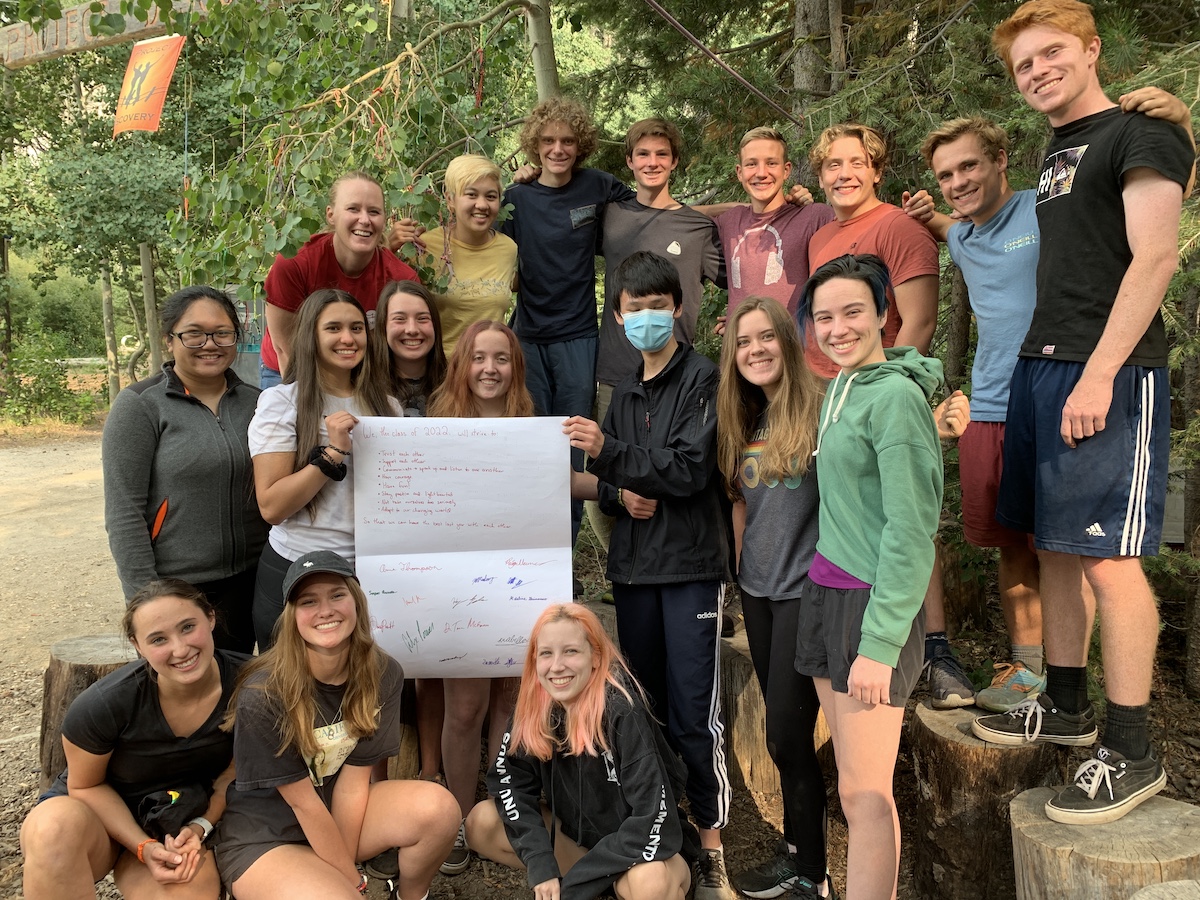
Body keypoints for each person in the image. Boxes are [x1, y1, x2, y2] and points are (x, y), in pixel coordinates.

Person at [970, 0, 1194, 826]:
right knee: (1054, 548)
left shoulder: (1144, 130)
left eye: (1052, 52)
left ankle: (1133, 750)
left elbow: (1156, 254)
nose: (1037, 71)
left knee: (1109, 560)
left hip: (1109, 371)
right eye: (1024, 64)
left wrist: (1099, 375)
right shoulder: (1062, 144)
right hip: (1042, 366)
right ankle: (1065, 706)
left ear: (1092, 49)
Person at [906, 88, 1193, 712]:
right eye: (946, 174)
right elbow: (952, 225)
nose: (959, 182)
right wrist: (928, 213)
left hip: (1060, 391)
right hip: (990, 407)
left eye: (969, 166)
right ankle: (1028, 671)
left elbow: (1161, 199)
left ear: (1001, 160)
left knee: (1067, 545)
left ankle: (1076, 686)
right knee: (1012, 543)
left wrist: (1182, 126)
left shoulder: (1045, 207)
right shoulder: (962, 237)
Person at [562, 251, 734, 900]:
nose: (647, 318)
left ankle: (711, 847)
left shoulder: (704, 379)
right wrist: (618, 491)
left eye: (658, 306)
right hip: (634, 573)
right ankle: (664, 835)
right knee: (647, 712)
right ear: (618, 316)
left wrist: (615, 456)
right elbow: (609, 487)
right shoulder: (624, 391)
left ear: (678, 308)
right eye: (635, 309)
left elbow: (690, 468)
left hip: (690, 568)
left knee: (695, 713)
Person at [807, 122, 975, 710]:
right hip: (832, 392)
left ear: (877, 170)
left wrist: (896, 396)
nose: (844, 174)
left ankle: (934, 646)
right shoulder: (823, 235)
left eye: (856, 162)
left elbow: (918, 321)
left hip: (878, 391)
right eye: (832, 164)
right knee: (857, 516)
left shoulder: (899, 227)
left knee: (900, 515)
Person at [796, 254, 945, 900]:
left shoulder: (896, 399)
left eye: (853, 311)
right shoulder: (843, 386)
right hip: (825, 592)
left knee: (866, 793)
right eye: (824, 317)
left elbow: (912, 531)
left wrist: (881, 645)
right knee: (852, 784)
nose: (838, 329)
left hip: (871, 605)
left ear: (885, 312)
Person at [212, 550, 460, 900]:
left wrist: (342, 870)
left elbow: (354, 785)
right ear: (291, 617)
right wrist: (349, 879)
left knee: (440, 810)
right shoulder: (264, 693)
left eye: (337, 595)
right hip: (266, 835)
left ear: (357, 602)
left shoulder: (383, 673)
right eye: (308, 601)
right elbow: (303, 804)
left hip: (334, 811)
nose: (325, 610)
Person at [21, 580, 246, 900]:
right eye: (158, 639)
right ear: (137, 645)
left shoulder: (250, 684)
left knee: (186, 889)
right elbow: (85, 786)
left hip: (185, 820)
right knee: (52, 830)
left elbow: (234, 774)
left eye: (187, 627)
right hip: (101, 820)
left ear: (210, 618)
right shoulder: (104, 704)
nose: (180, 649)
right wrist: (142, 846)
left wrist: (201, 826)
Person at [714, 297, 832, 899]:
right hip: (757, 593)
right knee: (781, 734)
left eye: (765, 337)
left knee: (787, 733)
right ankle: (797, 853)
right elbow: (741, 504)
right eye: (743, 342)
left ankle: (812, 872)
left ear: (787, 340)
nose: (755, 350)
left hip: (804, 593)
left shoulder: (821, 409)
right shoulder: (746, 419)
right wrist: (738, 578)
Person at [464, 603, 695, 900]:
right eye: (546, 653)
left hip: (643, 853)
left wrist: (574, 887)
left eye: (571, 651)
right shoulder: (534, 707)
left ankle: (611, 885)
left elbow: (653, 820)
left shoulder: (622, 710)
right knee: (481, 823)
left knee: (649, 882)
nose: (557, 666)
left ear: (596, 657)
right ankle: (601, 885)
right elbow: (510, 785)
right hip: (581, 845)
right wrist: (541, 864)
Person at [103, 286, 268, 653]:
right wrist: (145, 599)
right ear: (169, 339)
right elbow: (124, 513)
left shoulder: (257, 403)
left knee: (246, 679)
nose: (210, 344)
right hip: (179, 587)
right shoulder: (141, 406)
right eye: (194, 333)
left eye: (222, 333)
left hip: (254, 579)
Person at [501, 97, 637, 544]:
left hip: (578, 339)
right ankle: (526, 546)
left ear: (581, 145)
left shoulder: (599, 186)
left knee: (571, 448)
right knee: (532, 446)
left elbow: (655, 213)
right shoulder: (516, 199)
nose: (557, 149)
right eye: (547, 141)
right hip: (527, 339)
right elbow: (480, 250)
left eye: (567, 141)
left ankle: (564, 552)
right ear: (534, 145)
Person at [426, 320, 535, 875]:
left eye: (501, 358)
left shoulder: (532, 428)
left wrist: (617, 492)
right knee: (465, 708)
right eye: (478, 358)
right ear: (461, 365)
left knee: (509, 706)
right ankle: (459, 818)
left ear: (516, 368)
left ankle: (499, 813)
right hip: (459, 590)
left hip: (518, 584)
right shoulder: (435, 429)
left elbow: (558, 485)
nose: (490, 369)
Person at [248, 289, 400, 649]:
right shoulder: (281, 402)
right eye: (333, 328)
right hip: (296, 569)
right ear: (310, 336)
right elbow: (272, 506)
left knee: (365, 680)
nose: (348, 338)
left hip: (372, 573)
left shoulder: (388, 406)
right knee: (289, 681)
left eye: (356, 328)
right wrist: (332, 453)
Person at [260, 172, 419, 387]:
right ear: (331, 215)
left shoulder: (401, 278)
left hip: (362, 372)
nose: (365, 220)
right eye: (353, 209)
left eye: (374, 212)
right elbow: (285, 349)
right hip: (289, 369)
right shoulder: (294, 264)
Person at [713, 127, 833, 332]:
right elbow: (675, 213)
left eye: (771, 163)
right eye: (751, 164)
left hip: (796, 348)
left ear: (786, 170)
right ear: (739, 172)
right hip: (743, 348)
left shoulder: (814, 217)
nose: (761, 173)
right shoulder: (729, 221)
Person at [369, 280, 448, 417]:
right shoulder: (363, 387)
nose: (412, 329)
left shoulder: (459, 385)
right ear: (383, 326)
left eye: (422, 318)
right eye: (400, 319)